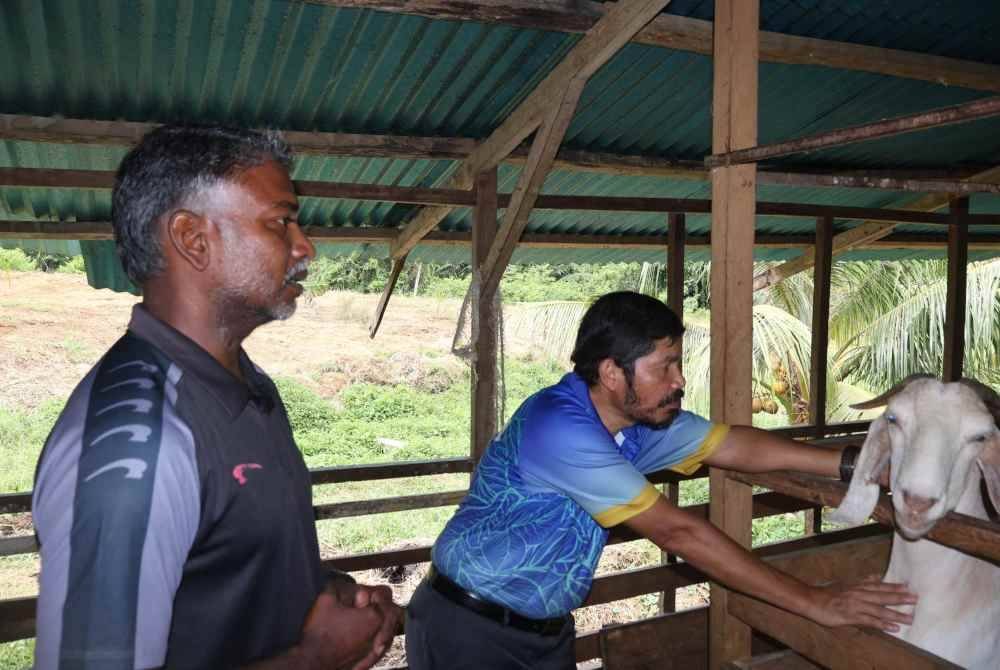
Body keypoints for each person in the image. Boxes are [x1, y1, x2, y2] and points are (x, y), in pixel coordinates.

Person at [32, 124, 402, 669]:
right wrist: (314, 658)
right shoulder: (138, 451)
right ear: (192, 238)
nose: (304, 247)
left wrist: (322, 591)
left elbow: (216, 567)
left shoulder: (243, 384)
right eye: (281, 221)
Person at [405, 291, 917, 669]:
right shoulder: (559, 428)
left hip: (544, 632)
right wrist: (817, 602)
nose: (679, 380)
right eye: (665, 366)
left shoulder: (634, 425)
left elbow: (734, 443)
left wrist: (854, 463)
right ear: (611, 373)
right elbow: (679, 533)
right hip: (466, 630)